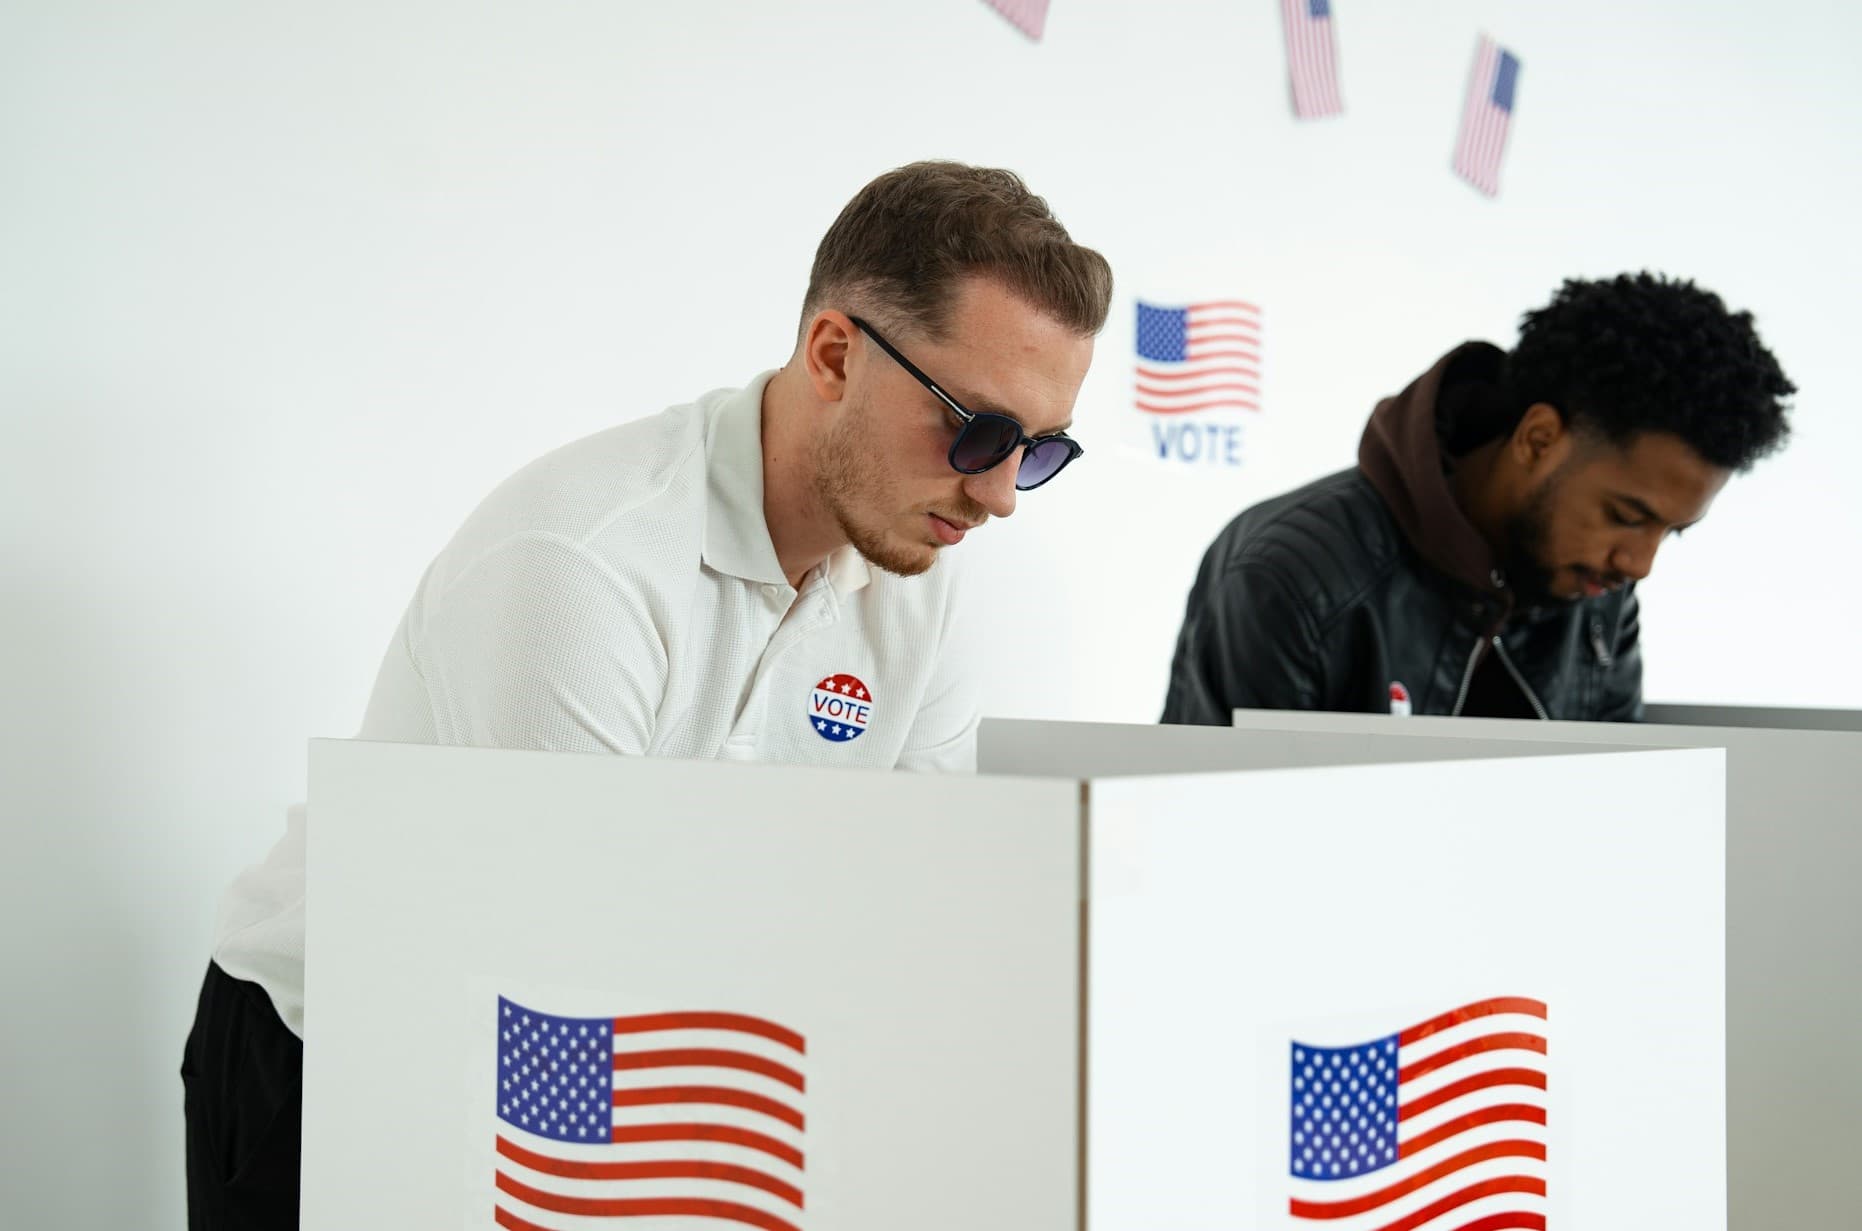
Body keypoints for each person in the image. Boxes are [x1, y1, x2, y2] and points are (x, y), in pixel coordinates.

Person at [182, 160, 1112, 1228]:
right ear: (834, 354)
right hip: (334, 1051)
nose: (997, 494)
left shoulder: (918, 583)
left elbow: (903, 914)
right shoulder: (581, 564)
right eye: (978, 431)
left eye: (1039, 451)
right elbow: (572, 966)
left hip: (618, 1042)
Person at [1161, 272, 1793, 724]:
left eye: (1673, 531)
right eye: (1627, 516)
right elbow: (1227, 847)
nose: (1640, 564)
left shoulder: (1598, 595)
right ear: (1538, 438)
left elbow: (1611, 826)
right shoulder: (1296, 574)